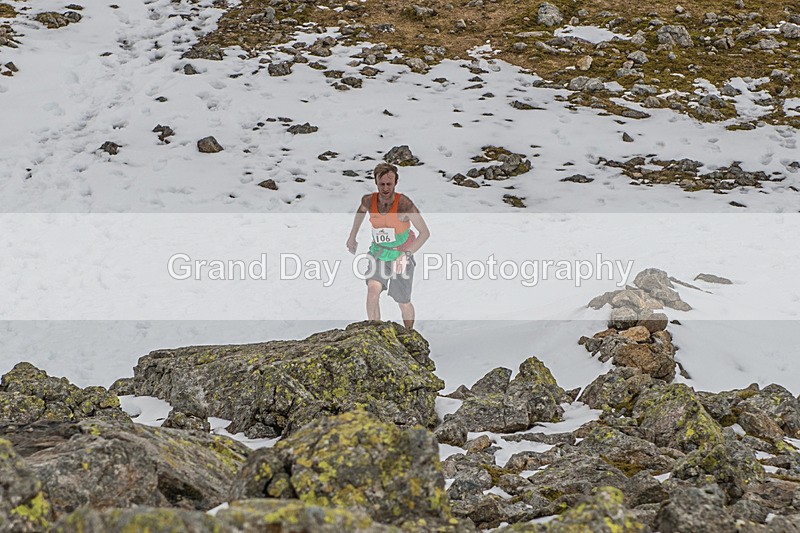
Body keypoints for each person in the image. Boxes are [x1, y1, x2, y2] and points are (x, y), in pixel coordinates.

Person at [346, 162, 430, 329]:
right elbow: (361, 211)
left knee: (403, 301)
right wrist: (352, 236)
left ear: (395, 183)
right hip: (379, 253)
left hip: (401, 255)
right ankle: (375, 332)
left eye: (389, 184)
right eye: (381, 184)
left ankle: (409, 333)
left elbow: (424, 233)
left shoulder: (404, 204)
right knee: (372, 290)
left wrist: (406, 255)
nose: (385, 188)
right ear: (376, 182)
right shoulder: (369, 200)